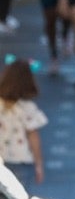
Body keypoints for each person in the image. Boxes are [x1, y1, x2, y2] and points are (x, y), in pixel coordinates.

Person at [0, 58, 47, 188]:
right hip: (22, 160)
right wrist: (39, 164)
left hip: (1, 161)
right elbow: (33, 137)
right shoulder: (27, 108)